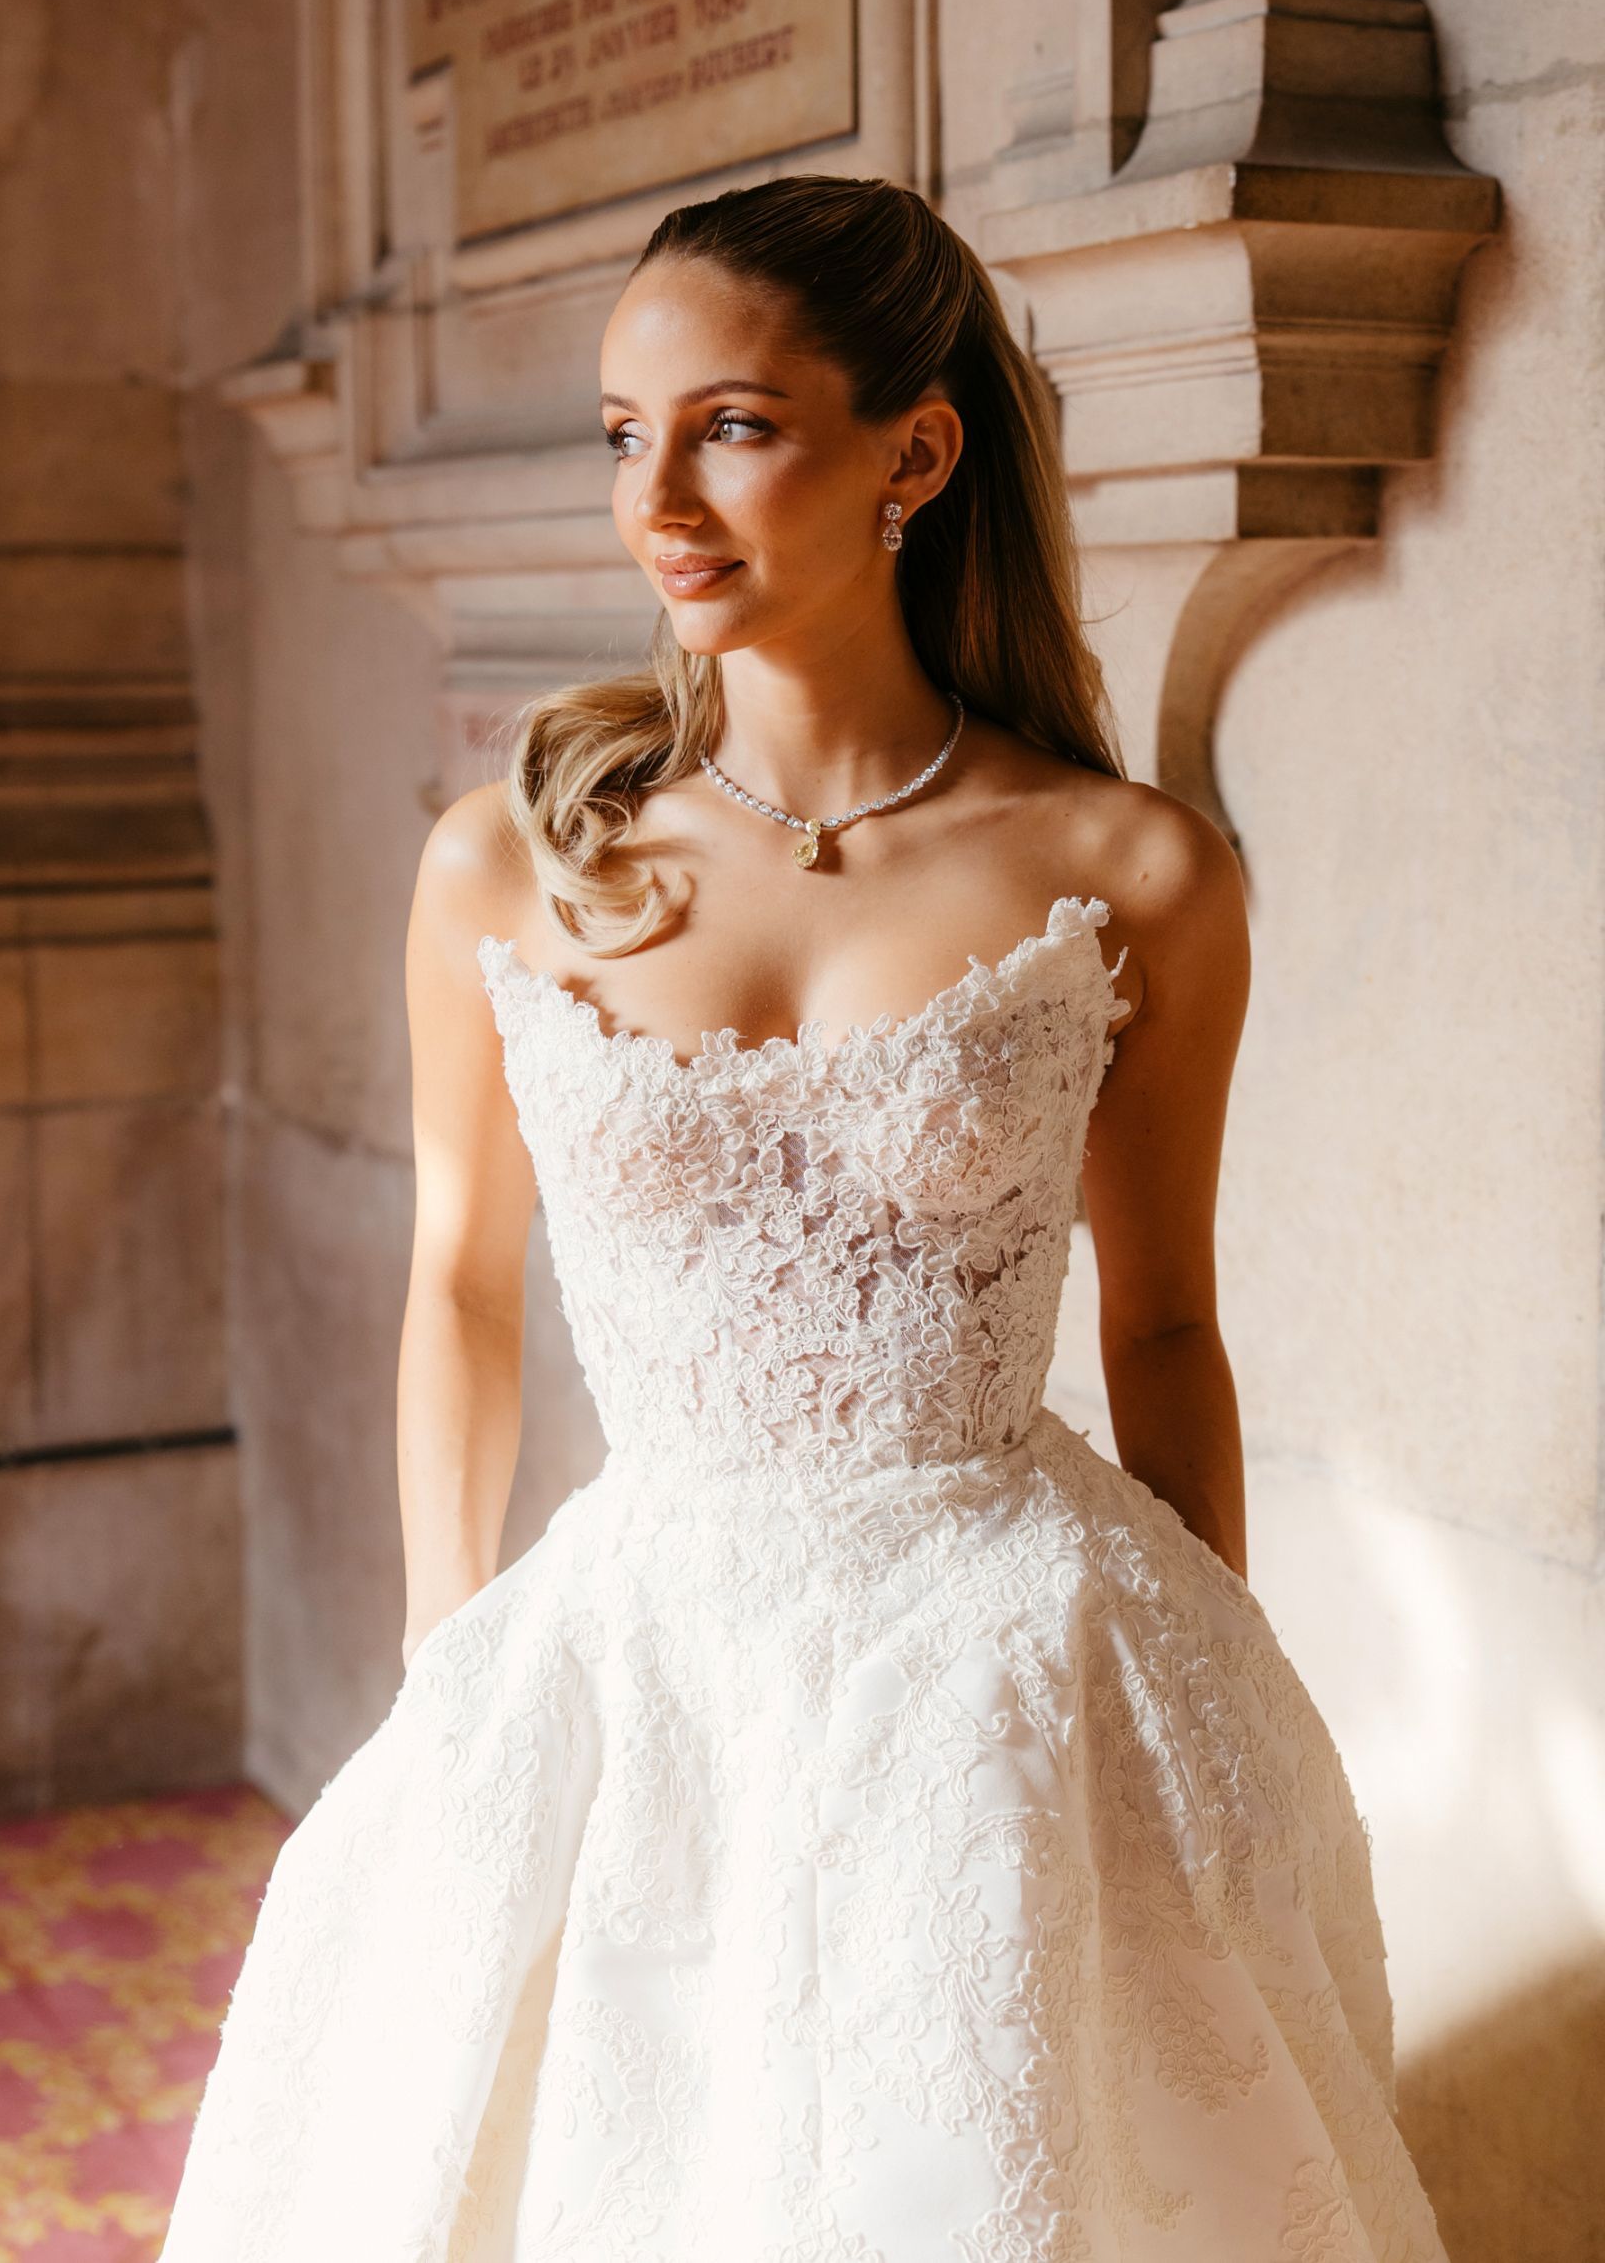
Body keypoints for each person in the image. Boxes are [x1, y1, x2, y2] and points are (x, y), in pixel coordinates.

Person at [160, 175, 1449, 2261]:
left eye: (732, 424)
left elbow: (1170, 1331)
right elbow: (461, 1290)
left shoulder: (1134, 867)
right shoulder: (511, 863)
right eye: (617, 433)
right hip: (643, 1653)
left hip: (1007, 1660)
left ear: (913, 452)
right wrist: (443, 1660)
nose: (654, 495)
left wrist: (1219, 1684)